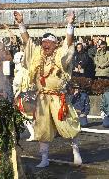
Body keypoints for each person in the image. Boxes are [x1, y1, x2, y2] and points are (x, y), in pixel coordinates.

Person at [14, 11, 82, 167]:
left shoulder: (60, 56)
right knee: (42, 129)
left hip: (58, 98)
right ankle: (44, 159)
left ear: (54, 44)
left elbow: (68, 44)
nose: (45, 46)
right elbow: (28, 43)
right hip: (42, 98)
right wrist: (20, 24)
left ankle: (76, 151)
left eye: (48, 43)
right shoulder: (37, 54)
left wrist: (70, 24)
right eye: (43, 43)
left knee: (67, 125)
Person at [12, 51, 35, 141]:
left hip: (22, 96)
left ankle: (32, 134)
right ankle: (33, 133)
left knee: (25, 116)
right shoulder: (25, 71)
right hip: (28, 94)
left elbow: (17, 86)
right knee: (29, 115)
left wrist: (14, 96)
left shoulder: (21, 72)